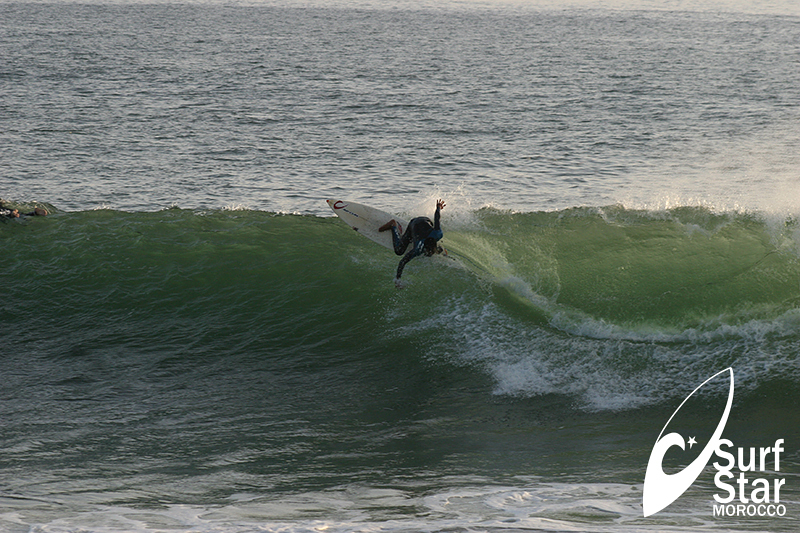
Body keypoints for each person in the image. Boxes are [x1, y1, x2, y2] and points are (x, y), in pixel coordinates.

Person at [379, 199, 446, 287]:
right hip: (413, 224)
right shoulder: (417, 249)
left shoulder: (438, 234)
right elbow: (402, 262)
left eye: (432, 250)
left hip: (426, 220)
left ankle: (443, 252)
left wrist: (438, 208)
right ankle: (393, 225)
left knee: (432, 253)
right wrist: (398, 279)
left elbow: (437, 218)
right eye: (429, 251)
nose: (430, 253)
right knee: (399, 251)